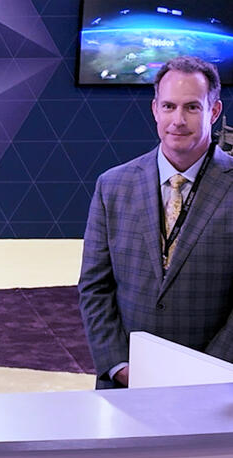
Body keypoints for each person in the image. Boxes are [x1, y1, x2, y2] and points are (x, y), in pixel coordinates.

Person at [79, 56, 233, 389]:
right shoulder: (113, 185)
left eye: (192, 107)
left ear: (214, 111)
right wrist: (119, 365)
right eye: (169, 106)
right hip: (125, 384)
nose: (178, 120)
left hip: (215, 388)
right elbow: (94, 286)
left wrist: (210, 374)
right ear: (155, 109)